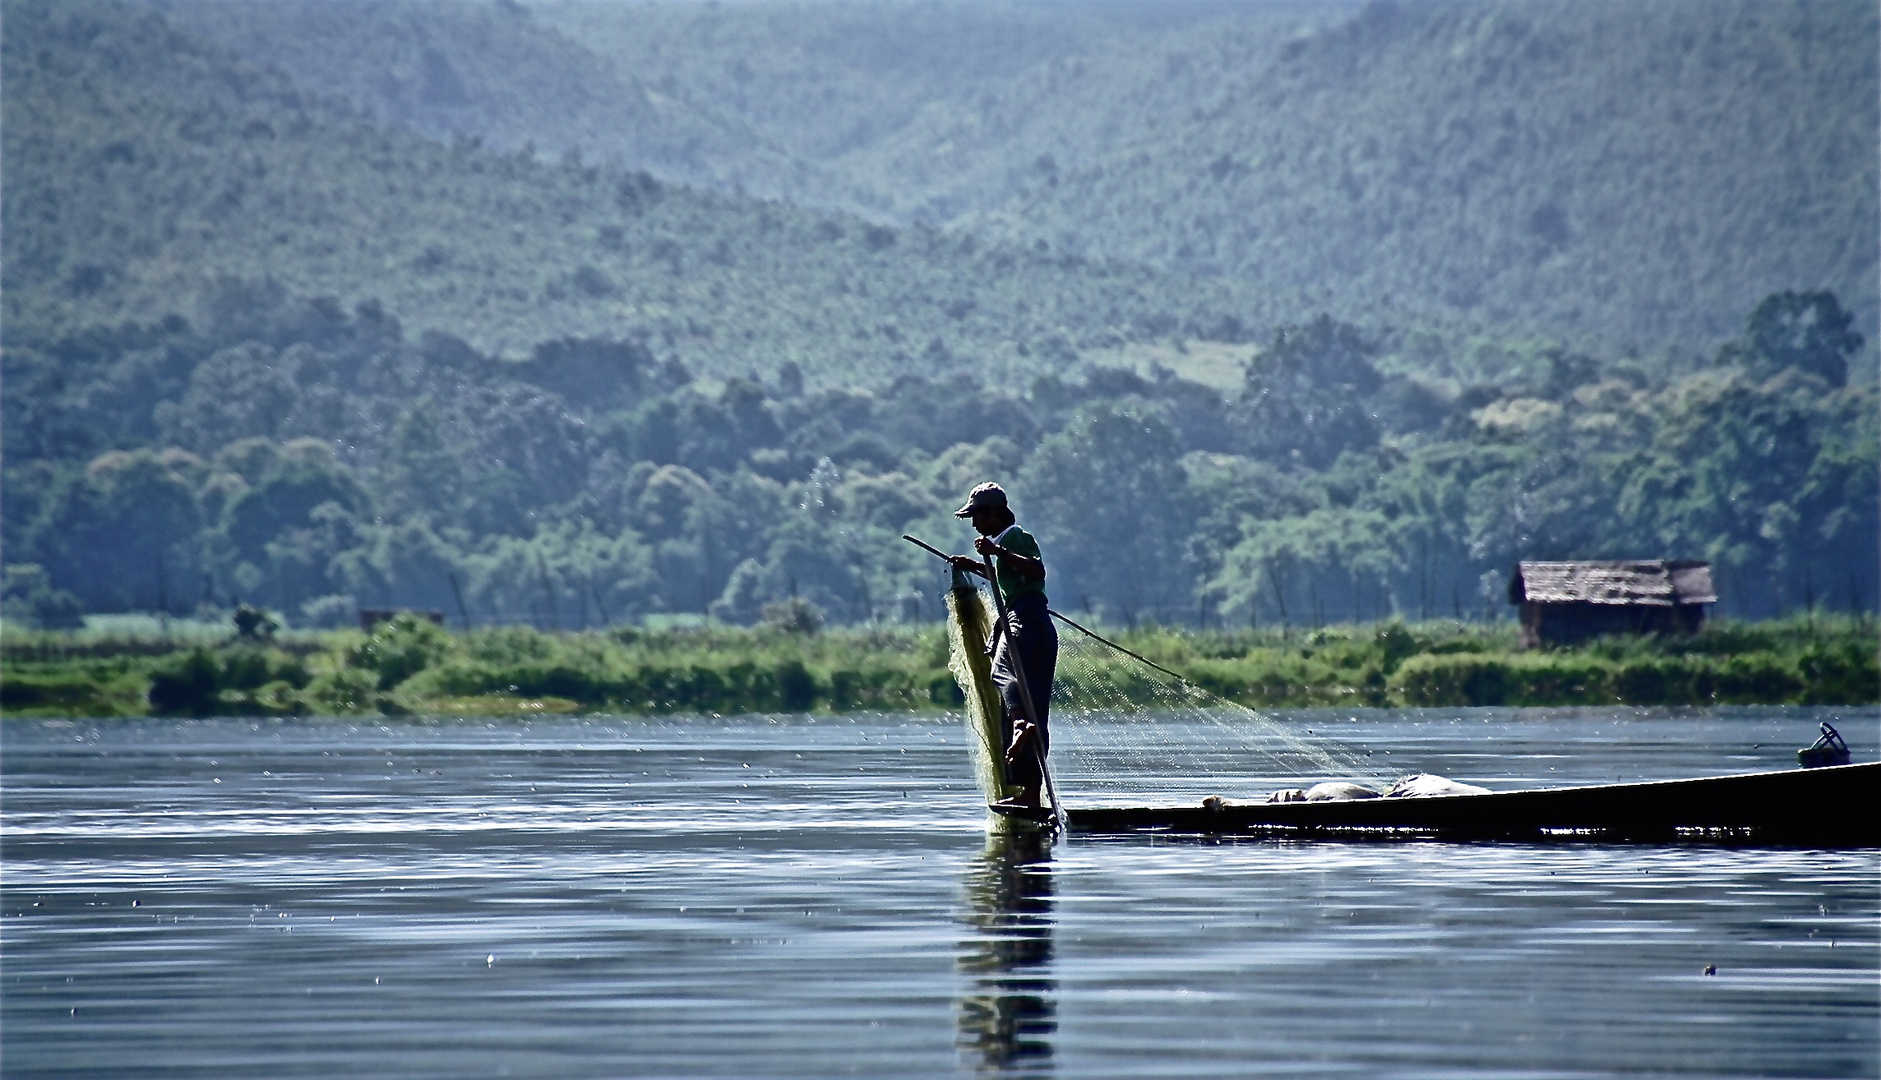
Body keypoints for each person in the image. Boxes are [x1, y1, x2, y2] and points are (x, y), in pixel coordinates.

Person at [950, 482, 1058, 808]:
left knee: (1001, 670)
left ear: (995, 513)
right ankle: (1030, 797)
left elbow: (1036, 569)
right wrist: (976, 565)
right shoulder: (1003, 547)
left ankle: (1020, 723)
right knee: (1035, 708)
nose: (974, 523)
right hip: (1038, 627)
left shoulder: (1015, 537)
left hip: (1025, 619)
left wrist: (996, 552)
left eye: (977, 516)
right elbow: (1007, 573)